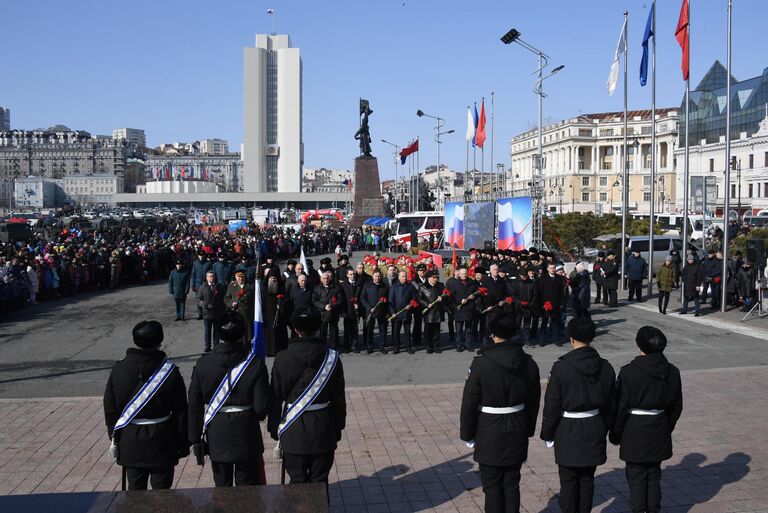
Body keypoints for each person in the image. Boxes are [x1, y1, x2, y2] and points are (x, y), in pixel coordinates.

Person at [460, 315, 541, 513]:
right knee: (512, 484)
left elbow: (470, 402)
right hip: (517, 425)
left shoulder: (480, 363)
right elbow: (534, 401)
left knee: (492, 486)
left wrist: (467, 433)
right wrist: (528, 429)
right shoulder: (528, 363)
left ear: (492, 335)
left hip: (489, 428)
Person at [540, 316, 616, 513]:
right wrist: (604, 427)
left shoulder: (561, 367)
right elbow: (611, 405)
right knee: (587, 480)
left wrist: (547, 434)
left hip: (568, 430)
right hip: (594, 427)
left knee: (568, 482)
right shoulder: (606, 367)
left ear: (571, 339)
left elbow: (552, 407)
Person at [103, 321, 188, 490]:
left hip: (130, 439)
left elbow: (110, 408)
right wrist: (183, 442)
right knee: (163, 496)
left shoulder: (119, 370)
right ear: (160, 340)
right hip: (163, 439)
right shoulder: (170, 371)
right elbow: (181, 411)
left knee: (135, 495)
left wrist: (115, 436)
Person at [188, 314, 271, 487]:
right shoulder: (254, 363)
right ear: (242, 335)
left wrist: (195, 438)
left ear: (217, 335)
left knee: (222, 489)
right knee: (247, 489)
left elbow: (194, 404)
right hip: (246, 432)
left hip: (217, 432)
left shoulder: (203, 363)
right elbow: (261, 408)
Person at [268, 307, 346, 490]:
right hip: (323, 427)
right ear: (318, 327)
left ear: (295, 329)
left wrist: (274, 427)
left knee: (297, 483)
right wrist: (338, 427)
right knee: (320, 482)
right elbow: (338, 399)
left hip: (292, 428)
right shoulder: (332, 357)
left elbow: (275, 397)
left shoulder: (282, 358)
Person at [610, 326, 683, 513]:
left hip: (635, 430)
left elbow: (621, 407)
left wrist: (616, 433)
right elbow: (676, 406)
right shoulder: (672, 371)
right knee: (654, 475)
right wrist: (666, 426)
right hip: (659, 427)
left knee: (636, 478)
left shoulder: (629, 372)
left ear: (639, 346)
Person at [448, 267, 479, 352]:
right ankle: (459, 345)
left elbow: (478, 293)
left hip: (469, 309)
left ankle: (468, 345)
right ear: (459, 274)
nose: (464, 275)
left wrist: (474, 296)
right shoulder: (454, 284)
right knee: (459, 330)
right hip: (459, 309)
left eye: (465, 273)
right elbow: (451, 297)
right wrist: (459, 301)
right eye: (462, 274)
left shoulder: (472, 283)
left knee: (468, 329)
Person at [312, 271, 344, 349]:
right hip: (322, 314)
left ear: (329, 279)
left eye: (327, 278)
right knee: (322, 332)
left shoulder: (335, 288)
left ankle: (333, 347)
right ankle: (322, 347)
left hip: (333, 313)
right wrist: (324, 306)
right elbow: (314, 300)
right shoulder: (317, 288)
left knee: (333, 332)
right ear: (321, 279)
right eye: (324, 278)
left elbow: (340, 300)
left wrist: (332, 306)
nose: (326, 280)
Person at [261, 270, 289, 356]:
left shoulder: (281, 288)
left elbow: (287, 300)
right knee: (270, 334)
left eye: (274, 278)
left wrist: (281, 304)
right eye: (271, 278)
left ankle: (281, 349)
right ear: (268, 279)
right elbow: (262, 304)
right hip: (268, 315)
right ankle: (270, 351)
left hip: (279, 315)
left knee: (279, 333)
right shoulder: (264, 289)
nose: (273, 280)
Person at [197, 270, 227, 352]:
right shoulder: (202, 287)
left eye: (213, 276)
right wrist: (205, 305)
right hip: (207, 313)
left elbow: (223, 298)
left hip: (217, 312)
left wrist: (224, 310)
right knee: (207, 331)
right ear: (206, 278)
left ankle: (216, 345)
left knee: (216, 331)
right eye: (210, 276)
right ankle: (207, 345)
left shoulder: (219, 286)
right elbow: (199, 300)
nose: (212, 278)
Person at [389, 270, 417, 354]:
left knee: (407, 331)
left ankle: (408, 347)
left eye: (405, 276)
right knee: (396, 331)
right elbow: (390, 300)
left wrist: (410, 305)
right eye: (403, 276)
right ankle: (396, 347)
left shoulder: (410, 286)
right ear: (399, 277)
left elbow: (414, 297)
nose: (405, 278)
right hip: (397, 313)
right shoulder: (394, 287)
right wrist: (393, 312)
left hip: (407, 312)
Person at [538, 263, 567, 346]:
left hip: (556, 304)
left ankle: (556, 340)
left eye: (554, 268)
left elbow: (562, 292)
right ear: (547, 269)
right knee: (544, 323)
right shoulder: (543, 278)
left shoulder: (560, 278)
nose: (552, 269)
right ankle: (542, 340)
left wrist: (562, 303)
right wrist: (541, 304)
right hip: (545, 304)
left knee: (555, 323)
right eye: (551, 268)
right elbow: (540, 292)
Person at [361, 270, 389, 354]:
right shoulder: (367, 285)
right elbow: (363, 298)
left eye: (379, 276)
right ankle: (370, 347)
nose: (377, 278)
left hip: (382, 311)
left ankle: (382, 346)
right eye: (376, 276)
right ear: (372, 276)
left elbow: (388, 299)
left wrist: (387, 312)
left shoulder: (385, 286)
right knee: (369, 330)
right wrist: (369, 308)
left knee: (382, 329)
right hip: (370, 311)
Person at [224, 270, 255, 342]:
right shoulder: (231, 285)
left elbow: (254, 299)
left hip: (247, 313)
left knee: (247, 335)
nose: (240, 279)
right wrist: (232, 303)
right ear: (235, 277)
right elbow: (227, 298)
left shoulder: (250, 285)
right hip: (236, 313)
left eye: (242, 277)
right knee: (237, 334)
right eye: (238, 277)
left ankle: (248, 348)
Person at [418, 270, 444, 353]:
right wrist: (426, 304)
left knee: (437, 331)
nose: (435, 279)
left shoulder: (440, 286)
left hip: (438, 311)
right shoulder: (422, 286)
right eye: (433, 277)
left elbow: (446, 295)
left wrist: (442, 298)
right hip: (429, 312)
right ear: (428, 278)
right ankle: (428, 347)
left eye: (436, 277)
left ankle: (436, 346)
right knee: (428, 331)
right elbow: (419, 299)